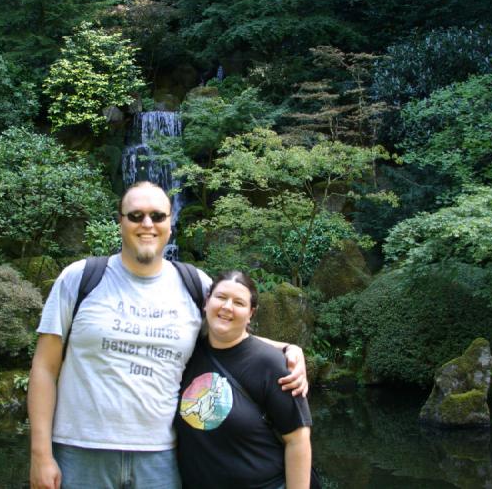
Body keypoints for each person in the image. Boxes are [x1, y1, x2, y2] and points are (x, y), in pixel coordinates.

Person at [29, 181, 308, 489]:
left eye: (157, 216)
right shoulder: (79, 278)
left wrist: (289, 349)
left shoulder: (194, 285)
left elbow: (229, 332)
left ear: (170, 224)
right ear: (120, 221)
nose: (147, 224)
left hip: (162, 457)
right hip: (80, 451)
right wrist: (40, 454)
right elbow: (44, 368)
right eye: (135, 215)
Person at [175, 271, 312, 489]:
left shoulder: (271, 364)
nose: (227, 307)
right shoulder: (187, 352)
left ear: (251, 314)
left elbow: (298, 441)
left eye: (238, 302)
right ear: (206, 302)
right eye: (220, 297)